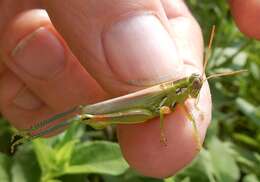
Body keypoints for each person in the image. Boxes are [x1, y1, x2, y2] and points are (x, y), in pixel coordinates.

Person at [0, 0, 259, 178]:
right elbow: (162, 110)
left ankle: (28, 135)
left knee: (80, 111)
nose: (196, 88)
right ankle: (28, 135)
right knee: (83, 113)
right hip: (139, 105)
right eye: (195, 84)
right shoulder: (168, 84)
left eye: (197, 84)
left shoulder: (183, 94)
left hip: (139, 108)